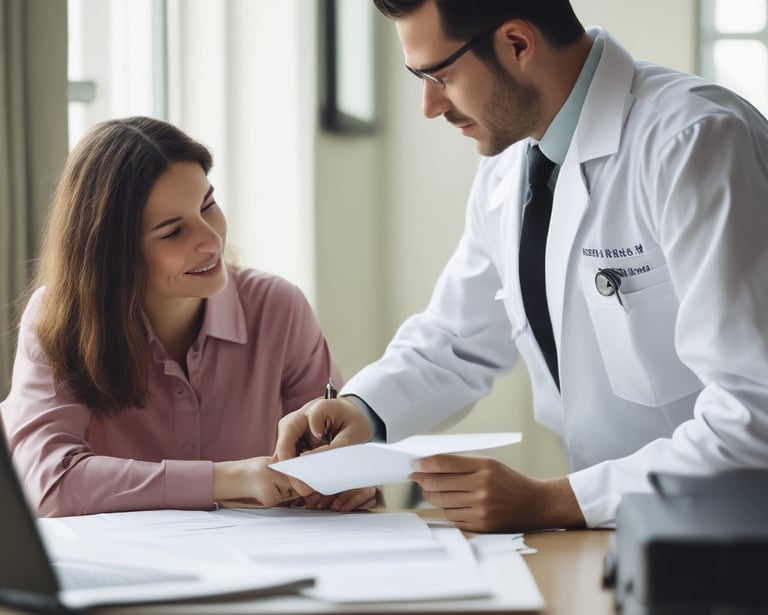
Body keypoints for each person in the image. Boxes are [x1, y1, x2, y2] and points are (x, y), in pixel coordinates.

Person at [274, 0, 768, 532]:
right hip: (622, 539)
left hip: (734, 535)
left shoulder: (696, 141)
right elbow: (458, 338)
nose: (430, 105)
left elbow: (755, 412)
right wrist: (363, 411)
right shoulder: (512, 165)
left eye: (440, 75)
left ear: (516, 43)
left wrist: (551, 501)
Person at [1, 116, 377, 517]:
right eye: (172, 232)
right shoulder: (59, 319)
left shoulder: (277, 307)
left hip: (261, 565)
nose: (211, 240)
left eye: (208, 206)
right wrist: (227, 478)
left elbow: (337, 457)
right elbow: (48, 485)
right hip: (118, 569)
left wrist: (348, 480)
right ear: (113, 255)